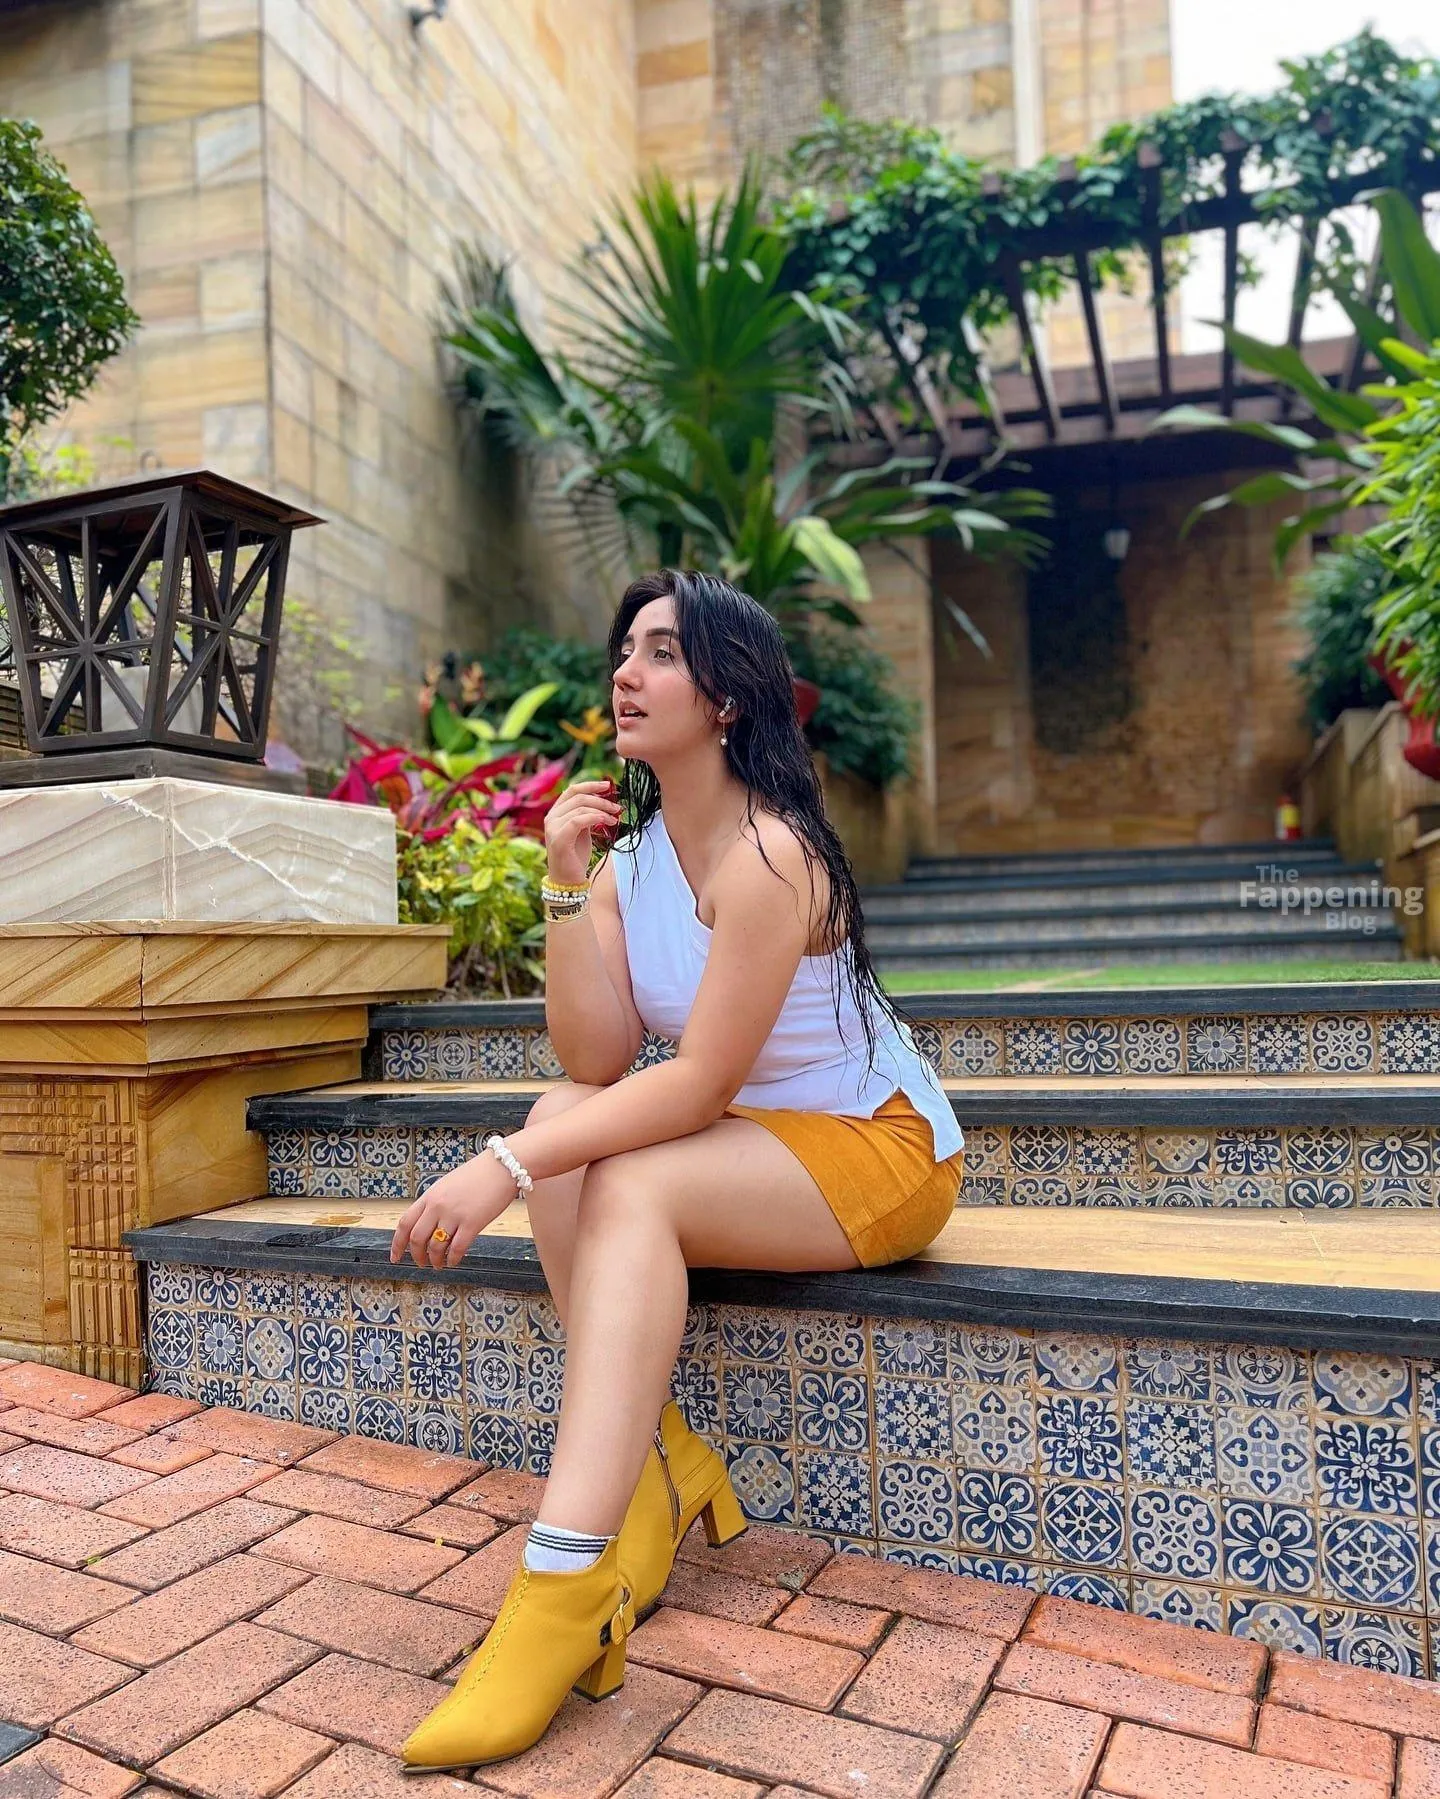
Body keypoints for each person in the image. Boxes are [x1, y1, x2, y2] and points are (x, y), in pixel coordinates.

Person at [390, 569, 966, 1774]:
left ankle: (562, 1588)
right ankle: (657, 1463)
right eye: (625, 650)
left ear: (727, 698)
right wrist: (562, 882)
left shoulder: (774, 854)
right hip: (754, 1138)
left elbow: (696, 1081)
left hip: (876, 1147)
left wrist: (498, 1166)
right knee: (568, 1116)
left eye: (662, 651)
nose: (625, 672)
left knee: (613, 1173)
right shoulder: (632, 862)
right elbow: (596, 1058)